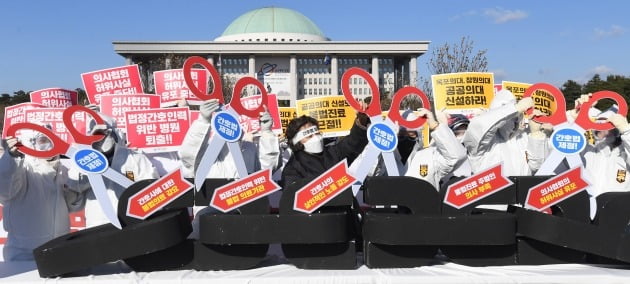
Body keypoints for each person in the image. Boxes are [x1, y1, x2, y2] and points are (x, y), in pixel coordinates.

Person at [179, 98, 280, 239]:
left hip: (245, 221)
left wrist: (267, 132)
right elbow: (189, 155)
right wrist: (202, 120)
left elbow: (266, 171)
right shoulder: (205, 153)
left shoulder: (249, 149)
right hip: (208, 222)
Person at [0, 129, 88, 261]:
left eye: (52, 139)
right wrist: (12, 158)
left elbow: (74, 207)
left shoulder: (62, 170)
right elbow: (5, 190)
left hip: (59, 251)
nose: (49, 144)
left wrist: (74, 193)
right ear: (30, 143)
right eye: (43, 140)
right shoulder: (22, 168)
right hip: (24, 254)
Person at [81, 109, 159, 228]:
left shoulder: (135, 158)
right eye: (96, 136)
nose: (101, 139)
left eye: (104, 134)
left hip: (132, 225)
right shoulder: (83, 165)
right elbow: (74, 201)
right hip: (97, 228)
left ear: (114, 133)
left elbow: (152, 193)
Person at [281, 111, 370, 196]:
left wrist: (361, 121)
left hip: (344, 209)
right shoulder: (292, 168)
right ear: (297, 142)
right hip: (316, 212)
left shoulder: (333, 153)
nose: (316, 138)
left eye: (317, 133)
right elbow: (293, 198)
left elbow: (352, 144)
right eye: (309, 136)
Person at [462, 90, 549, 176]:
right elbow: (479, 127)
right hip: (493, 189)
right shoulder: (483, 142)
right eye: (509, 116)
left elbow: (537, 167)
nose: (512, 120)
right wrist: (515, 108)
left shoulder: (522, 137)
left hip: (522, 189)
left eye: (515, 117)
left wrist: (536, 134)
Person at [403, 108, 467, 191]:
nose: (404, 137)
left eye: (411, 133)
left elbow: (456, 156)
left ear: (418, 134)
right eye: (400, 133)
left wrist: (435, 126)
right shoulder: (384, 158)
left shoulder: (429, 155)